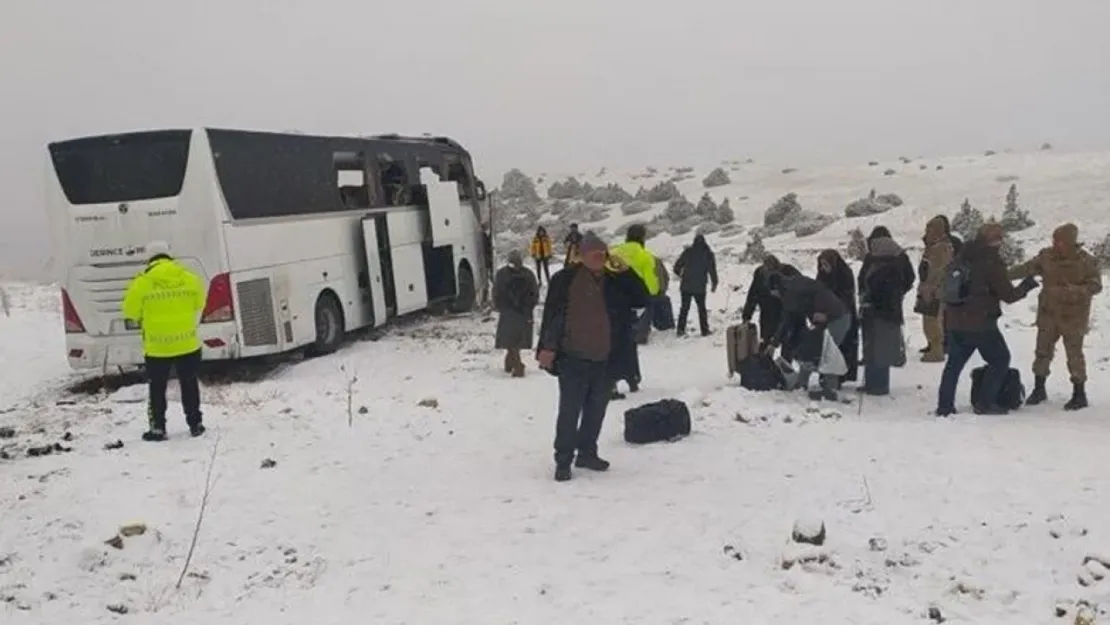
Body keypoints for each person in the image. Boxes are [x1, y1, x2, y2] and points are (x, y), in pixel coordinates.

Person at [536, 231, 650, 482]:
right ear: (583, 255)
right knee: (569, 411)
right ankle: (563, 459)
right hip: (572, 357)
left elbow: (643, 297)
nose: (600, 257)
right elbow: (553, 317)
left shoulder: (615, 280)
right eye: (594, 253)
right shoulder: (564, 280)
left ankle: (587, 452)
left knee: (596, 410)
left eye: (603, 253)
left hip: (606, 358)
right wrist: (547, 347)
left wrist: (625, 270)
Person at [935, 223, 1039, 416]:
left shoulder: (962, 255)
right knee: (1000, 359)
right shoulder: (991, 261)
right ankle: (985, 402)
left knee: (953, 366)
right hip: (981, 322)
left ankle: (944, 406)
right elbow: (1008, 294)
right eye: (999, 238)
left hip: (955, 319)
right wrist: (1027, 285)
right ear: (995, 240)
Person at [1006, 223, 1103, 410]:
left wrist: (1076, 291)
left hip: (1073, 316)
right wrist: (1001, 276)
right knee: (1042, 352)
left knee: (1074, 355)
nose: (1055, 243)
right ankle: (1039, 388)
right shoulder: (1046, 256)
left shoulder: (1086, 261)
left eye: (1059, 240)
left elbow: (1096, 286)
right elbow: (1026, 269)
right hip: (1048, 314)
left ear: (1070, 242)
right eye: (1054, 239)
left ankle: (1079, 393)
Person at [121, 241, 207, 441]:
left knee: (157, 387)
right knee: (189, 383)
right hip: (187, 343)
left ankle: (158, 428)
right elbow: (199, 303)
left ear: (150, 259)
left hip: (157, 347)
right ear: (169, 256)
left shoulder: (141, 283)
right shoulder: (190, 279)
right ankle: (195, 424)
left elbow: (130, 312)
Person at [764, 269, 851, 401]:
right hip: (828, 318)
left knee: (828, 352)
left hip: (837, 319)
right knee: (810, 348)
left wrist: (774, 344)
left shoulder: (791, 293)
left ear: (777, 288)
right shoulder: (794, 285)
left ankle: (830, 388)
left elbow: (788, 320)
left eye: (774, 293)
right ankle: (802, 383)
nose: (775, 297)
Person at [858, 235, 915, 395]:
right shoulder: (878, 264)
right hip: (874, 312)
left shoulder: (891, 268)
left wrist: (872, 300)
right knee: (872, 348)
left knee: (881, 350)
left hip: (884, 314)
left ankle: (879, 385)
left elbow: (888, 293)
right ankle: (871, 382)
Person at [609, 224, 660, 392]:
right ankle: (632, 378)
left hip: (611, 304)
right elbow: (651, 285)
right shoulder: (645, 256)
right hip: (633, 305)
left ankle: (612, 379)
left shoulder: (614, 253)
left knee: (612, 342)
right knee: (629, 342)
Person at [493, 250, 540, 378]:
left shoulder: (502, 274)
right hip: (523, 313)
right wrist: (528, 306)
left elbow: (497, 292)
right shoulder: (528, 274)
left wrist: (499, 306)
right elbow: (534, 293)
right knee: (517, 340)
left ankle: (517, 364)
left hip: (508, 312)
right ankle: (511, 362)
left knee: (510, 340)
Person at [815, 249, 859, 384]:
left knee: (841, 347)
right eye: (821, 265)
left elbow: (846, 296)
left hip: (843, 314)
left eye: (826, 264)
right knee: (827, 347)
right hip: (825, 316)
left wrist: (831, 311)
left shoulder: (844, 274)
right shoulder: (822, 275)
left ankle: (839, 377)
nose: (823, 268)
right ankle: (827, 377)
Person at [915, 216, 954, 362]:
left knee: (932, 321)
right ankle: (934, 347)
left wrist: (929, 289)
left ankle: (936, 351)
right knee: (930, 321)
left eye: (929, 228)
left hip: (933, 292)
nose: (926, 232)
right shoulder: (937, 246)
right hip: (931, 290)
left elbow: (937, 271)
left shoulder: (940, 247)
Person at [673, 234, 719, 337]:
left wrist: (681, 275)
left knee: (684, 308)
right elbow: (712, 270)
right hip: (700, 286)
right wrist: (714, 283)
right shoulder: (708, 254)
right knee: (701, 308)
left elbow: (676, 267)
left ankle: (680, 330)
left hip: (686, 285)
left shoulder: (688, 252)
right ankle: (704, 330)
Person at [742, 255, 785, 350]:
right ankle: (764, 362)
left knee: (785, 342)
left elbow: (796, 291)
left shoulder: (786, 272)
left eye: (771, 270)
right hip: (766, 311)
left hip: (782, 312)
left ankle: (783, 362)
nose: (769, 272)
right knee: (765, 341)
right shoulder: (759, 274)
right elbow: (753, 295)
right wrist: (747, 316)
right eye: (767, 269)